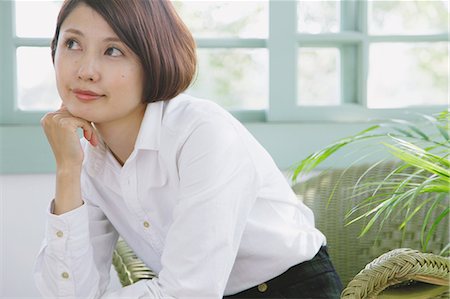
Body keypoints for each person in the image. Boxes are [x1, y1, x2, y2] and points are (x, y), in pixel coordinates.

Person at [34, 0, 343, 298]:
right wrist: (68, 169)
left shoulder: (202, 133)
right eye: (72, 44)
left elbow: (188, 292)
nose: (86, 70)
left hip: (290, 288)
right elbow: (69, 292)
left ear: (153, 58)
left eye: (113, 50)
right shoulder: (88, 157)